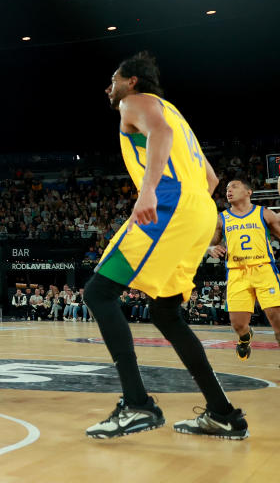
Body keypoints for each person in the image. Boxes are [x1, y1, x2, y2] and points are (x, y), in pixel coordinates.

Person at [84, 52, 247, 440]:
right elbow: (209, 176)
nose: (110, 88)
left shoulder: (134, 104)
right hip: (200, 210)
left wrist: (151, 192)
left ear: (133, 82)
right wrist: (191, 212)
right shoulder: (173, 111)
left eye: (115, 79)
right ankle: (223, 413)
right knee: (166, 313)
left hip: (171, 205)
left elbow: (160, 135)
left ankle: (137, 403)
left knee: (99, 292)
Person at [207, 178, 280, 360]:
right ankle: (245, 338)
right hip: (236, 273)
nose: (228, 190)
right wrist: (210, 249)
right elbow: (207, 243)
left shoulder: (265, 213)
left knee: (277, 320)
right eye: (227, 188)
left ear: (249, 192)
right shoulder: (221, 218)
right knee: (238, 325)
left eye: (234, 186)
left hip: (264, 270)